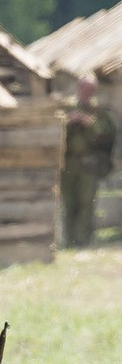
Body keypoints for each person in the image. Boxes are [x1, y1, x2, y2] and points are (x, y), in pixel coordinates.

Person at [61, 74, 117, 247]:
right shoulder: (66, 107)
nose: (86, 92)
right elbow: (53, 129)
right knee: (69, 202)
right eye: (84, 88)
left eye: (90, 89)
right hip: (68, 163)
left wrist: (89, 123)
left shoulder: (99, 112)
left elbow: (109, 135)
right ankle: (68, 240)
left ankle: (82, 241)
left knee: (86, 203)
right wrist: (69, 121)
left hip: (89, 164)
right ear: (78, 88)